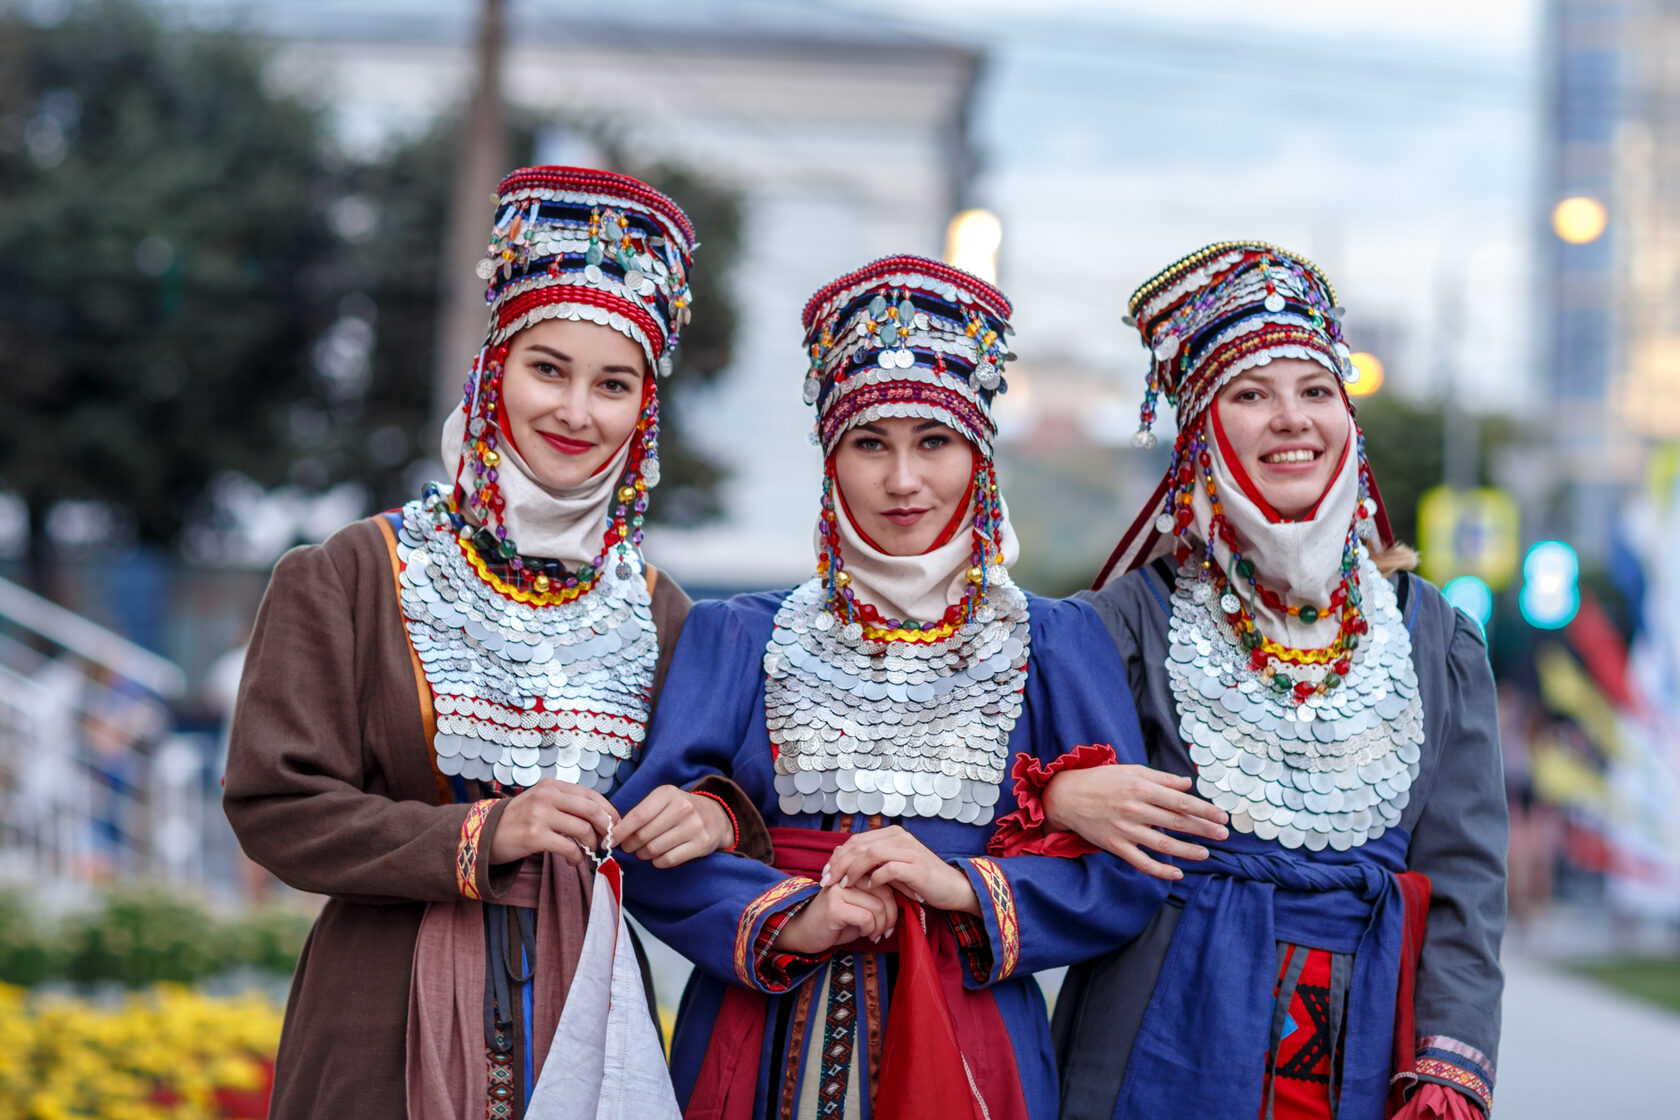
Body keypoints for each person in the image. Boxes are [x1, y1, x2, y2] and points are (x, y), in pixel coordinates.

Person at [224, 166, 762, 1119]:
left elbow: (727, 784)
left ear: (643, 413)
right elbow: (276, 805)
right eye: (547, 368)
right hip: (379, 1017)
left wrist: (713, 816)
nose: (575, 412)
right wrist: (482, 833)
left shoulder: (661, 608)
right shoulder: (350, 572)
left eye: (613, 385)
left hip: (592, 1014)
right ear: (492, 373)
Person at [610, 255, 1181, 1120]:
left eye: (934, 443)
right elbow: (648, 850)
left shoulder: (1058, 643)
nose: (903, 481)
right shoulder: (739, 635)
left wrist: (962, 886)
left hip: (971, 1036)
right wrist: (790, 917)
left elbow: (1127, 876)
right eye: (870, 443)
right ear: (830, 460)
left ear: (980, 456)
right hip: (756, 1034)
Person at [1044, 242, 1507, 1120]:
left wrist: (1450, 1064)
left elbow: (1466, 881)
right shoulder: (1127, 625)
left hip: (1366, 1047)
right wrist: (1060, 794)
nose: (1291, 419)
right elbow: (1009, 788)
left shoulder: (1436, 637)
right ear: (1202, 436)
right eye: (1250, 394)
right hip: (1164, 1033)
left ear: (1348, 422)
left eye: (1316, 391)